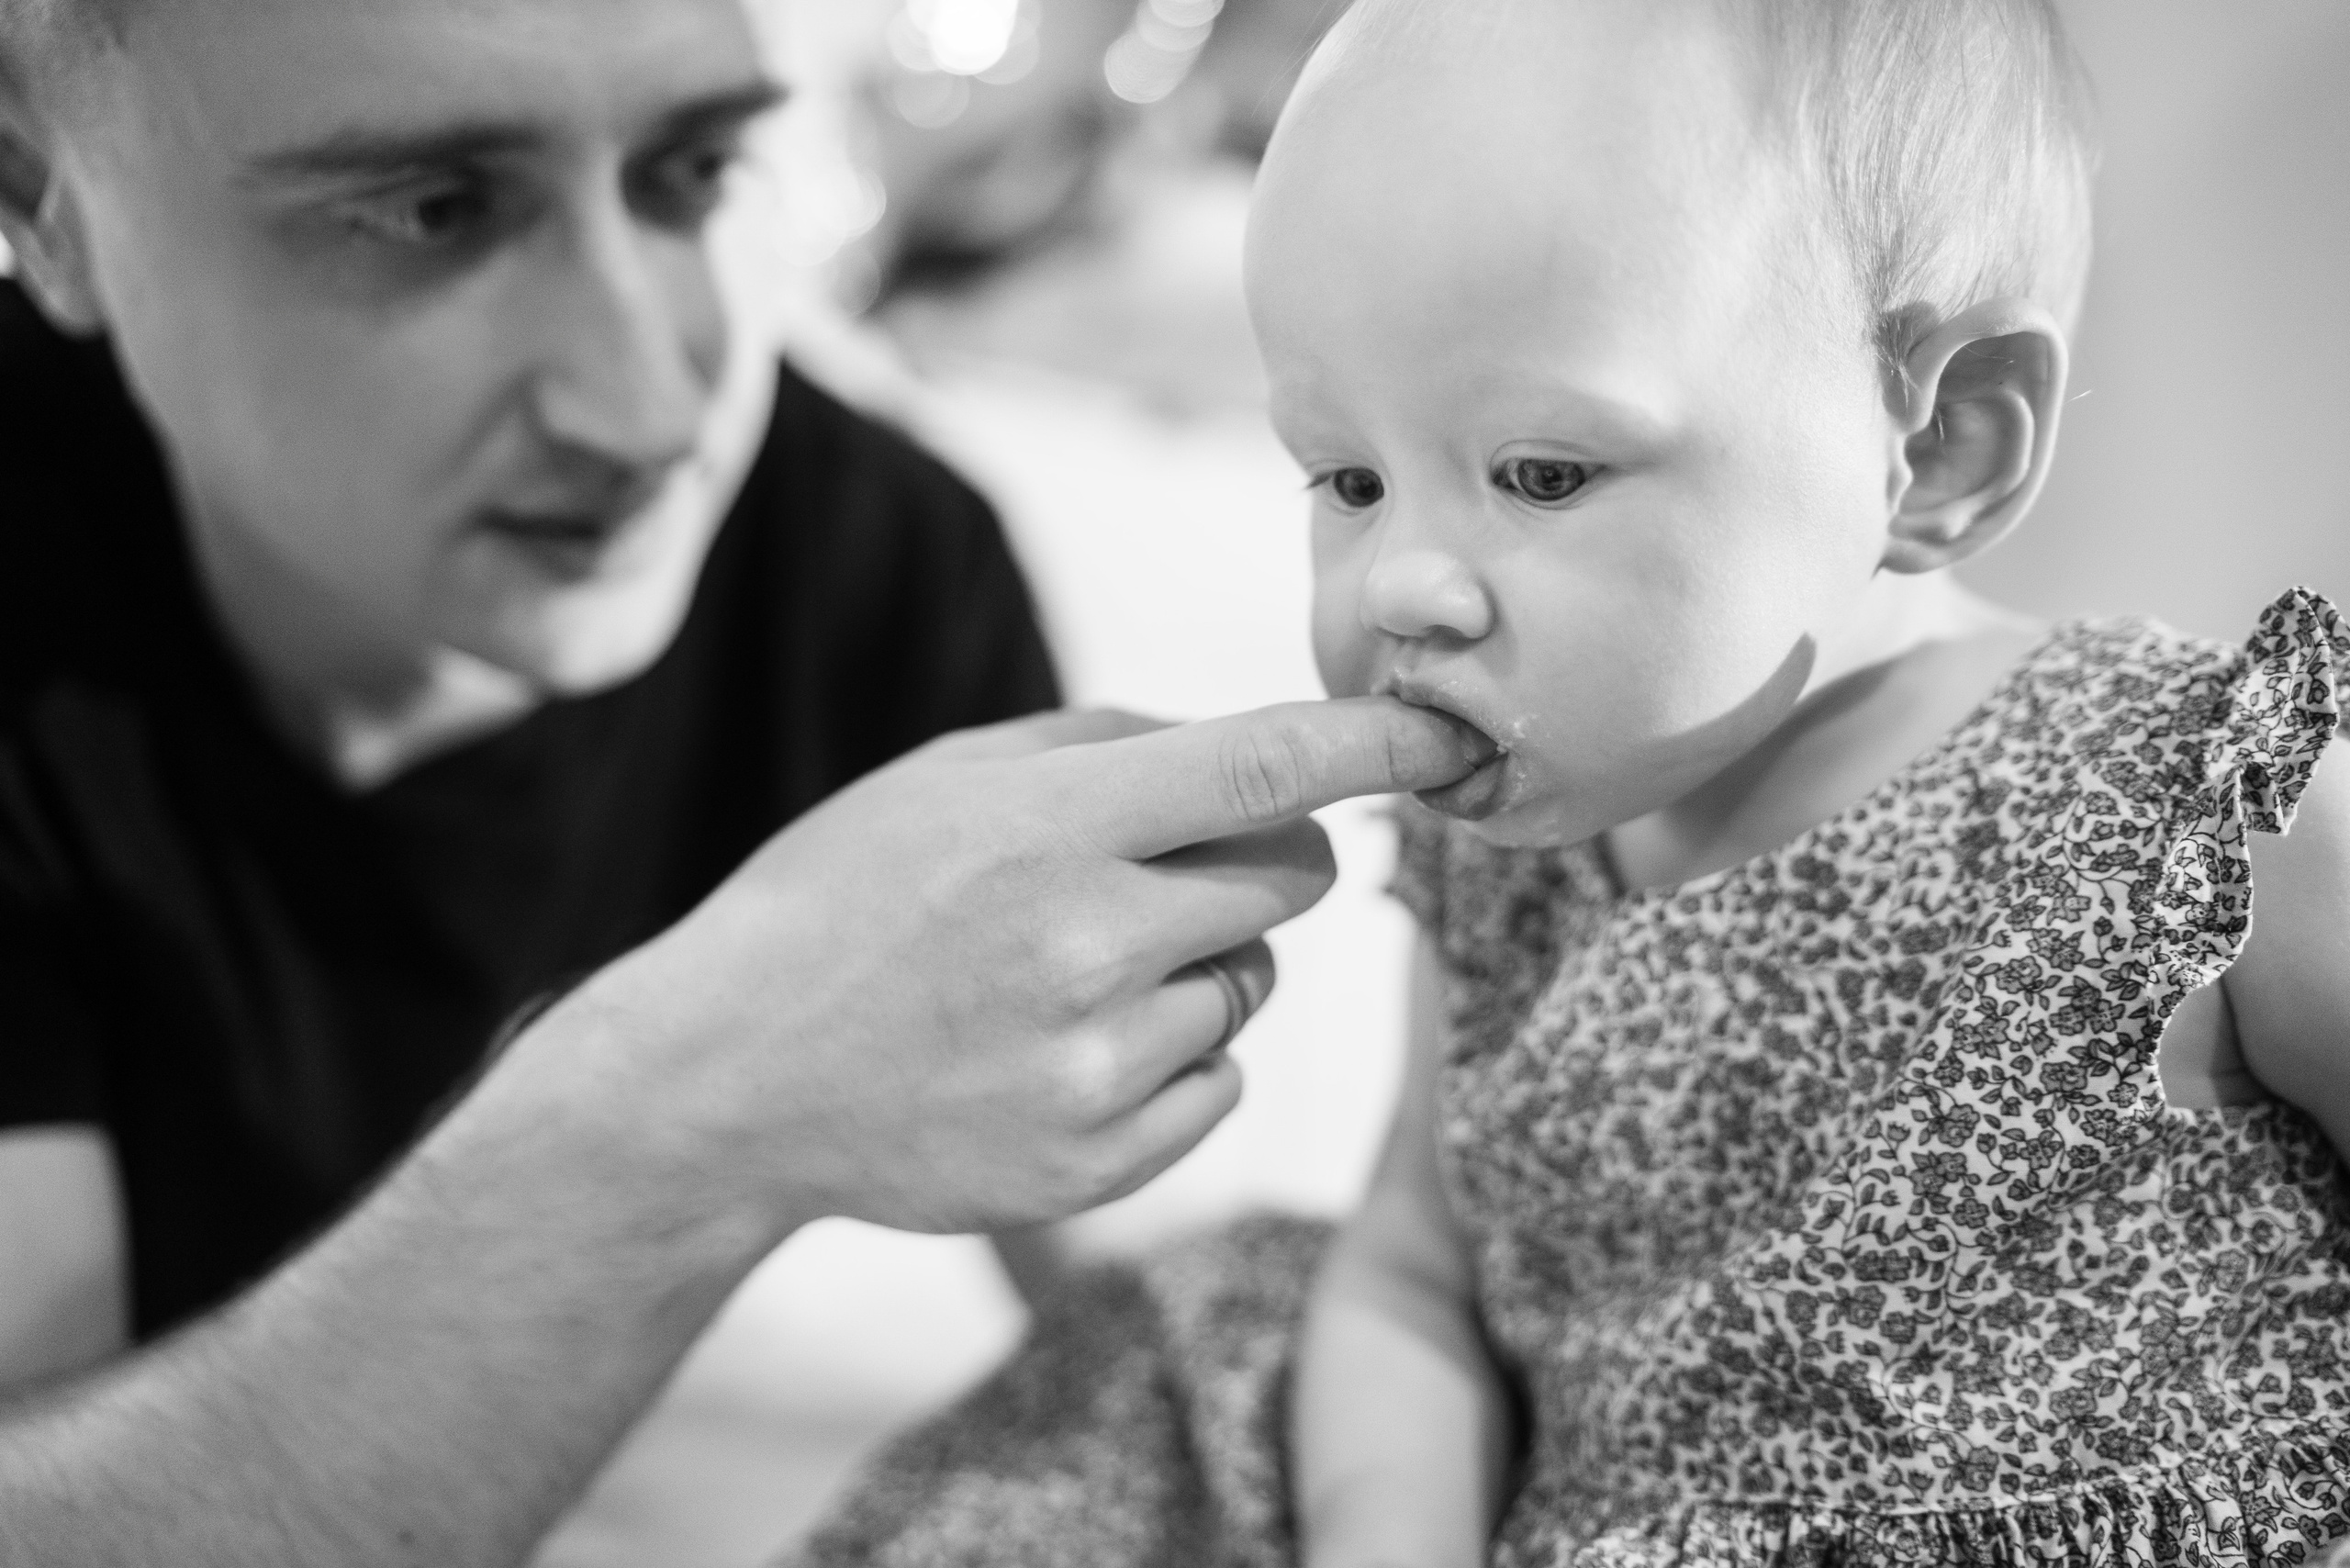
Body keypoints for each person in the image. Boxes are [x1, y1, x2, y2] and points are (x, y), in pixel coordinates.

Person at [784, 1, 2350, 1564]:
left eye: (1541, 474)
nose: (1404, 584)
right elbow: (1419, 1275)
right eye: (1348, 479)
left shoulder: (2200, 800)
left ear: (1937, 447)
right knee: (1179, 1367)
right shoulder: (1506, 855)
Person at [0, 0, 1493, 1561]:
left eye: (694, 167)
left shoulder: (869, 552)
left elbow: (1140, 1288)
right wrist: (679, 1113)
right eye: (432, 212)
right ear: (40, 201)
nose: (649, 406)